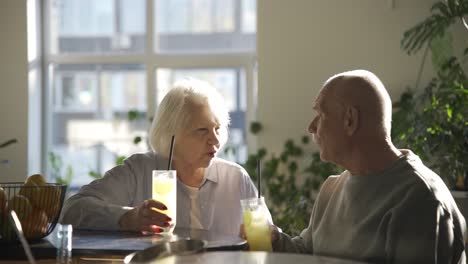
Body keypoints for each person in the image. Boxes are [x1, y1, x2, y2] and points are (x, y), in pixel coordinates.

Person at [268, 70, 467, 263]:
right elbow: (308, 254)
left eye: (321, 114)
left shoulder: (421, 199)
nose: (311, 127)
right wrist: (275, 240)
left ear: (350, 120)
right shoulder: (331, 189)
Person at [60, 78, 258, 236]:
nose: (215, 140)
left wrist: (272, 236)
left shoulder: (236, 178)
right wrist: (128, 217)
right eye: (201, 130)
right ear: (171, 134)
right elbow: (72, 209)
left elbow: (268, 239)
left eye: (217, 128)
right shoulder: (139, 171)